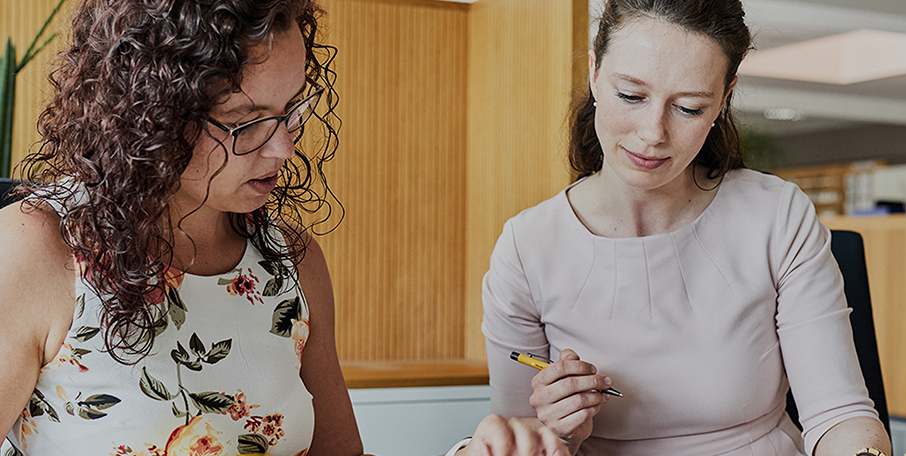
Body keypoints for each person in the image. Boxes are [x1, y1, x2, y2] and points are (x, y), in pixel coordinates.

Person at [0, 0, 567, 455]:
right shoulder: (37, 247)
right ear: (148, 113)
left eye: (292, 109)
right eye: (245, 123)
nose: (283, 148)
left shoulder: (288, 260)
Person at [480, 0, 893, 455]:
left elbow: (839, 415)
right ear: (595, 72)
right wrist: (557, 433)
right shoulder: (527, 246)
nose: (653, 133)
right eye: (631, 96)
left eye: (689, 108)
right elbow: (514, 436)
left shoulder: (776, 215)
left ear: (724, 97)